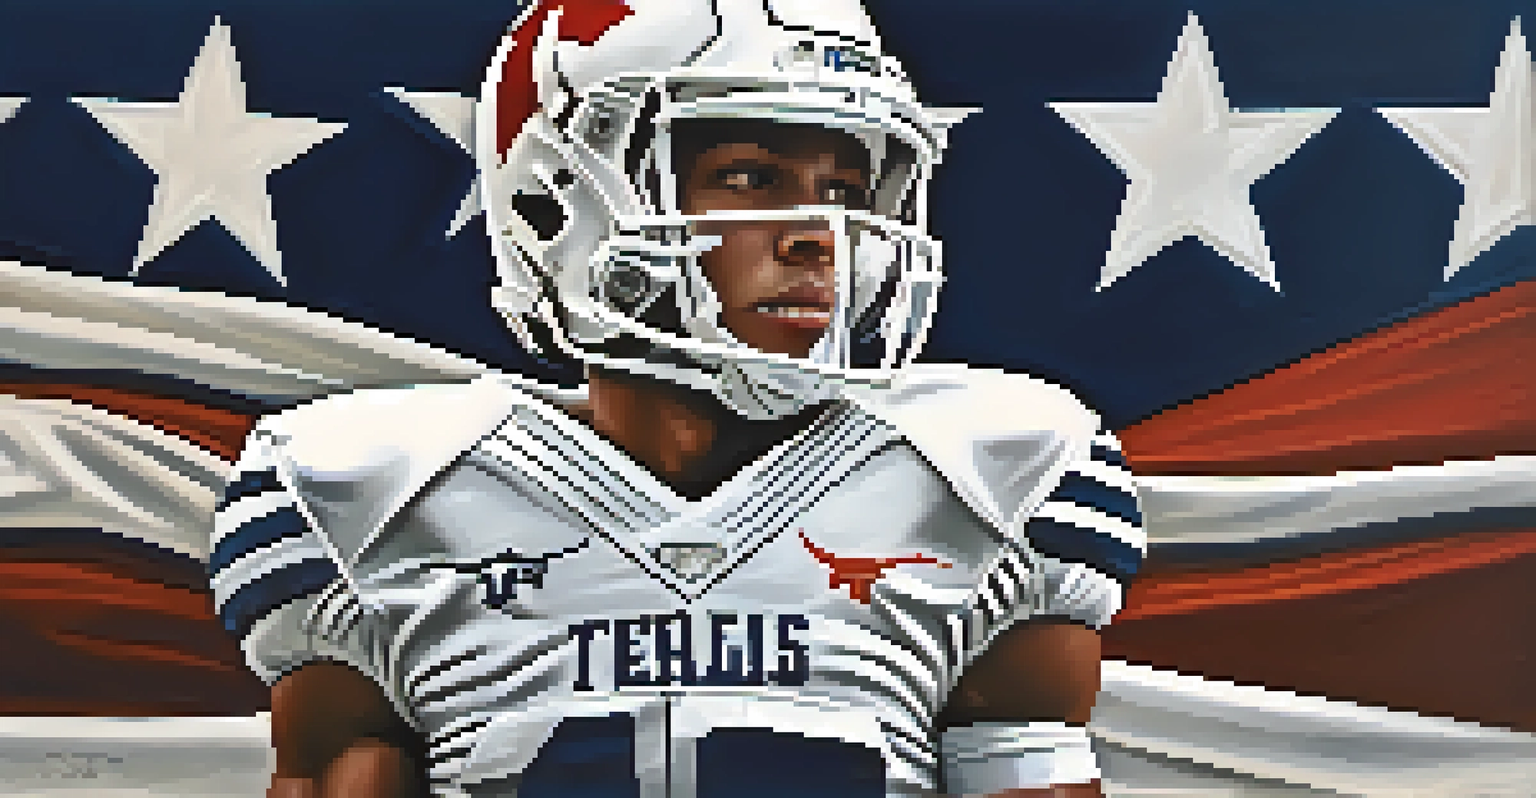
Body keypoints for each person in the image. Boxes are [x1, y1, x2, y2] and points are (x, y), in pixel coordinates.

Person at [212, 1, 1146, 796]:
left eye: (846, 189)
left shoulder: (992, 477)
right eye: (751, 178)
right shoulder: (366, 491)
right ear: (557, 200)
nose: (822, 236)